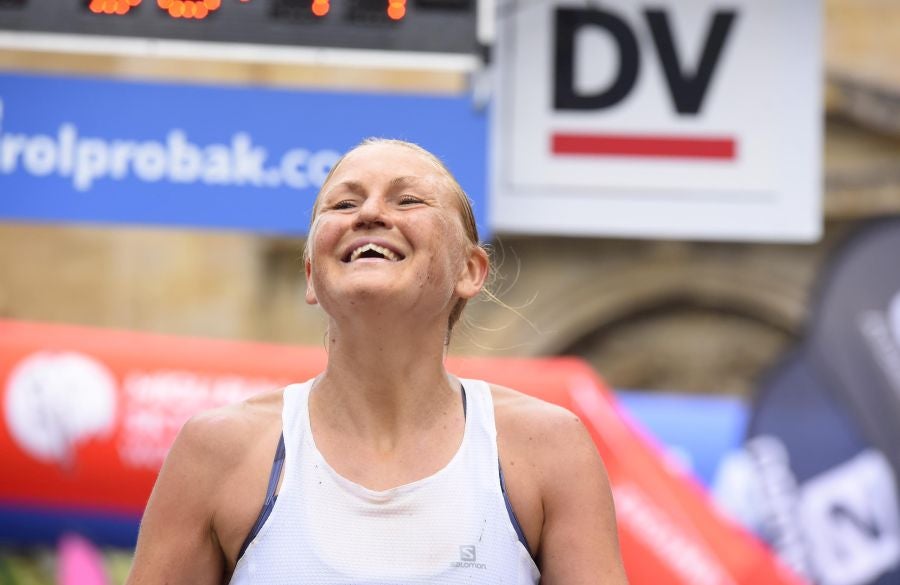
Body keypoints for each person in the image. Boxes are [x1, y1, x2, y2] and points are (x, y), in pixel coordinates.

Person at [126, 138, 628, 585]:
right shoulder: (216, 451)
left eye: (407, 199)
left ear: (470, 270)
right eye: (344, 203)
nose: (368, 214)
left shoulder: (549, 449)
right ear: (309, 274)